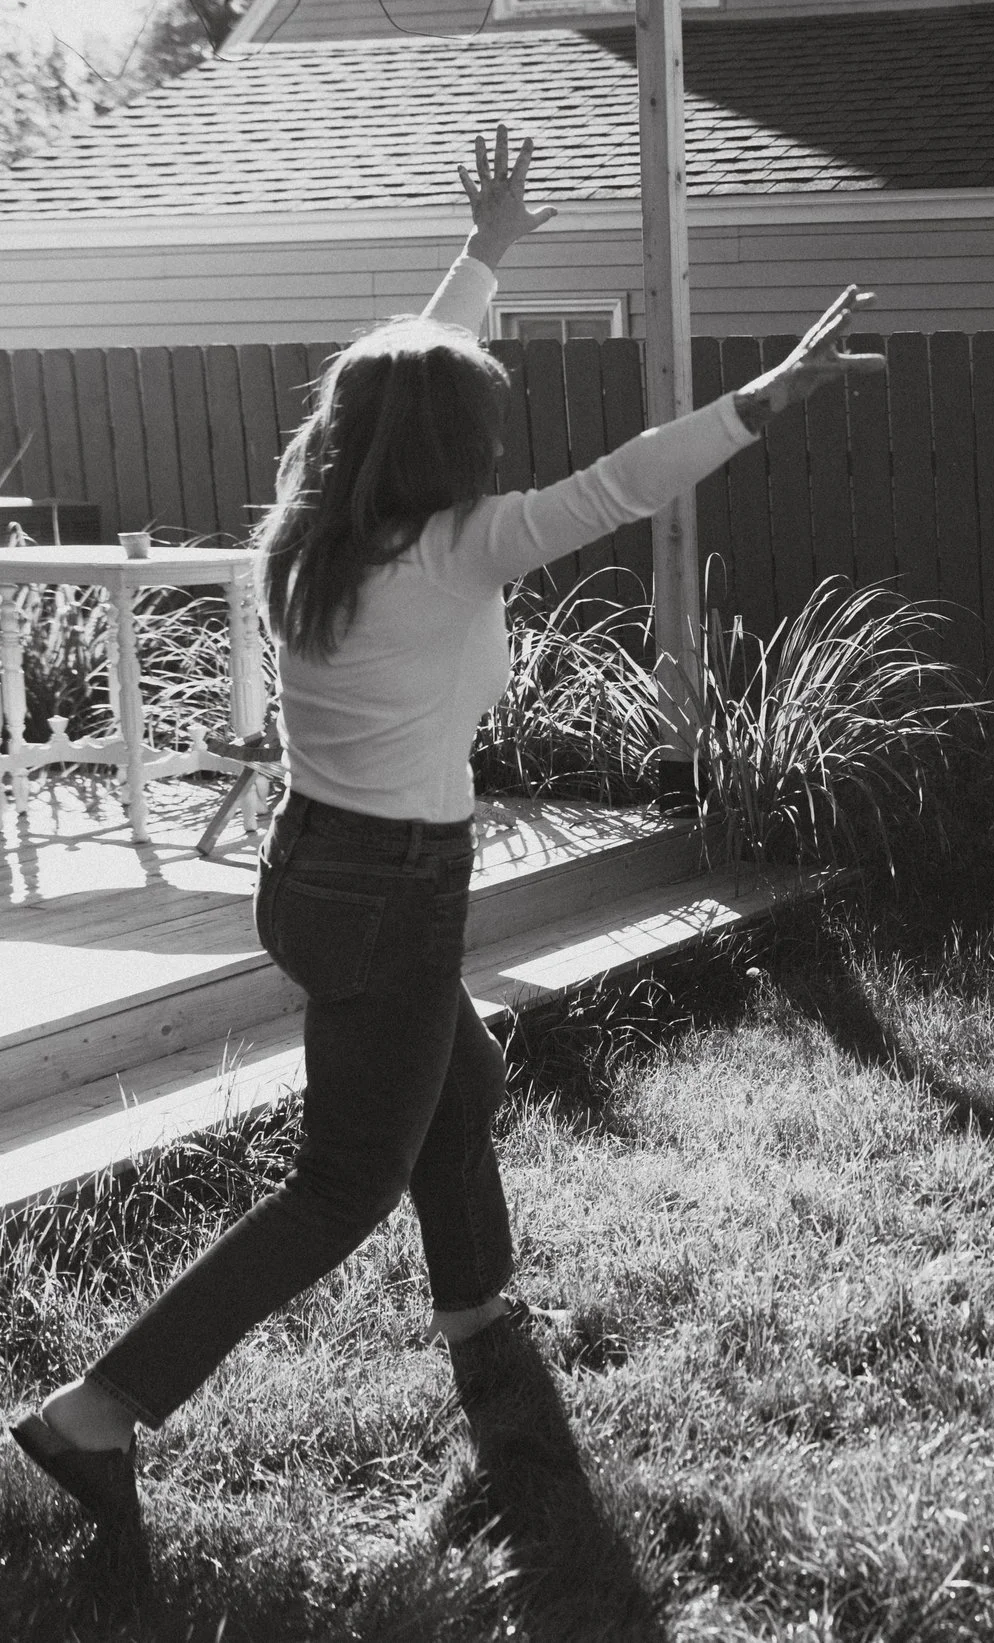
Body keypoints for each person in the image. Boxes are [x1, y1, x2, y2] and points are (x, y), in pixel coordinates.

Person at [8, 127, 883, 1570]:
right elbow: (617, 482)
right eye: (480, 426)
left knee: (459, 1079)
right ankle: (97, 1409)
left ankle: (480, 1310)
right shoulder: (456, 549)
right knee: (346, 1181)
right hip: (392, 895)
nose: (497, 442)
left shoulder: (311, 532)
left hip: (316, 873)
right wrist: (765, 399)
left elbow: (400, 384)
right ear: (446, 458)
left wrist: (483, 259)